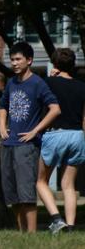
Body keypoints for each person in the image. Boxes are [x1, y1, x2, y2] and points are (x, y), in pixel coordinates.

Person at [0, 41, 60, 233]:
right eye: (12, 60)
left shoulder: (38, 83)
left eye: (18, 59)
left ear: (29, 60)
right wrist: (2, 126)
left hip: (27, 146)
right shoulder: (11, 83)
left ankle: (31, 234)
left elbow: (55, 109)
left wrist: (35, 131)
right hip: (9, 144)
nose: (14, 63)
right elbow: (3, 106)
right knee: (13, 195)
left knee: (26, 194)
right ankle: (22, 233)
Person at [34, 48, 85, 233]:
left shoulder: (48, 83)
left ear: (54, 64)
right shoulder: (82, 86)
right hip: (77, 136)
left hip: (55, 135)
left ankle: (57, 219)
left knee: (41, 181)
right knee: (68, 185)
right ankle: (70, 227)